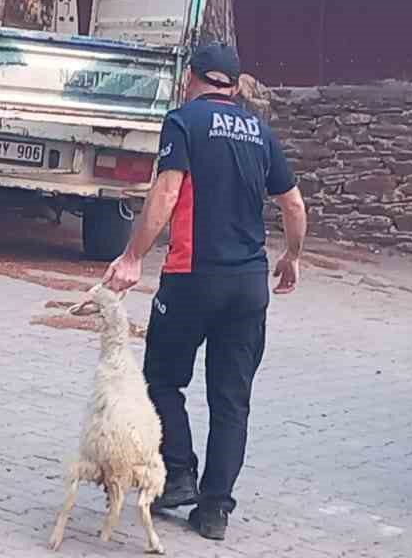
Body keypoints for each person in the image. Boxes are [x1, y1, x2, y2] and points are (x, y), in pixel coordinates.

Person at [102, 43, 308, 542]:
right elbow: (294, 204)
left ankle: (178, 475)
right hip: (248, 285)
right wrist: (292, 255)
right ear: (234, 87)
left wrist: (132, 256)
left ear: (190, 77)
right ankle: (215, 511)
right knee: (231, 400)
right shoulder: (260, 131)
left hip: (192, 277)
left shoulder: (183, 122)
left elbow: (167, 193)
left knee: (162, 379)